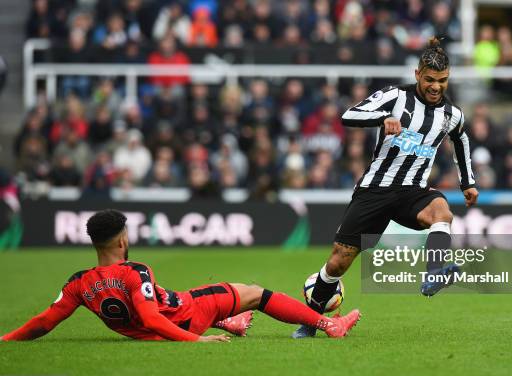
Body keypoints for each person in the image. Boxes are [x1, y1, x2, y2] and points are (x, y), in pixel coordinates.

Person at [292, 37, 479, 338]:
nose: (436, 86)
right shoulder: (395, 96)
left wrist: (467, 182)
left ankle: (434, 273)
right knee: (339, 261)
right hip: (375, 189)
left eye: (442, 80)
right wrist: (383, 118)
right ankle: (311, 320)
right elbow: (349, 114)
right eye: (430, 79)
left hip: (412, 191)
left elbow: (461, 138)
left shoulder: (451, 114)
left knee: (441, 210)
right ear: (418, 75)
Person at [1, 210, 360, 342]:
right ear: (123, 238)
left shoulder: (78, 283)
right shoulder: (134, 271)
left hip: (165, 322)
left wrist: (6, 339)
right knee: (255, 293)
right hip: (185, 318)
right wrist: (195, 341)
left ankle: (229, 322)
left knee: (176, 295)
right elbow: (151, 315)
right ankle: (329, 326)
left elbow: (43, 323)